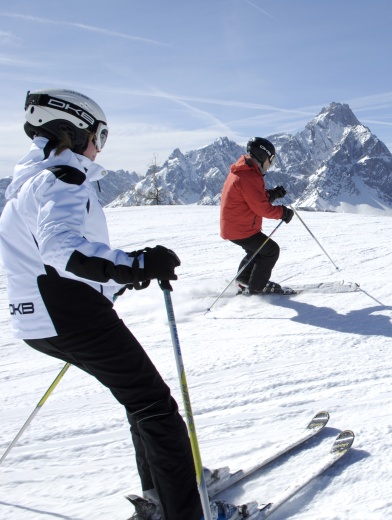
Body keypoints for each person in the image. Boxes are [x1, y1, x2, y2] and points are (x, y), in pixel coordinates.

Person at [0, 89, 243, 520]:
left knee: (140, 401)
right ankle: (185, 512)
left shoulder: (27, 184)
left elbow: (41, 256)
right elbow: (61, 249)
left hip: (39, 321)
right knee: (158, 409)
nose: (99, 147)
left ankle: (162, 492)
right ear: (74, 131)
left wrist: (113, 281)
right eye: (99, 135)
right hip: (72, 316)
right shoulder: (63, 178)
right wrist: (134, 264)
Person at [220, 137, 294, 294]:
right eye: (271, 159)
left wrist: (272, 194)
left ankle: (243, 281)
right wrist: (283, 213)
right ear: (262, 156)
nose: (271, 164)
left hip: (237, 226)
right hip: (241, 229)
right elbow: (262, 208)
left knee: (256, 251)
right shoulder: (249, 176)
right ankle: (256, 288)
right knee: (270, 250)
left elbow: (253, 198)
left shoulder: (246, 171)